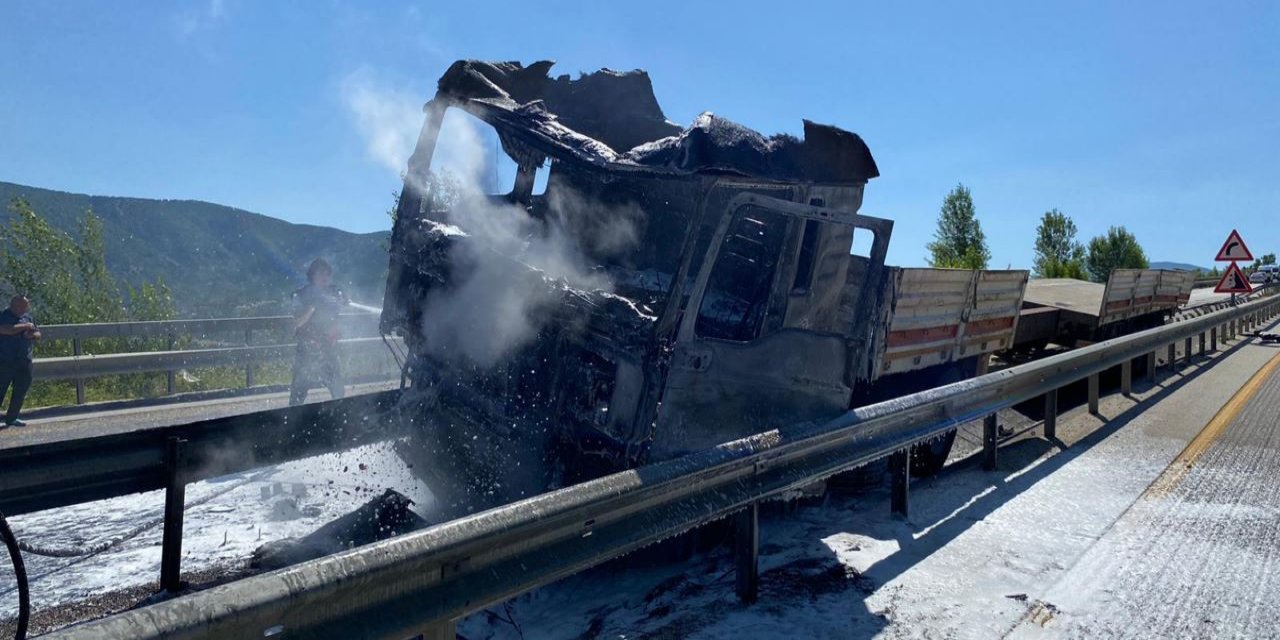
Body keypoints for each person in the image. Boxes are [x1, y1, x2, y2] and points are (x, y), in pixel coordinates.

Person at [290, 259, 350, 405]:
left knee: (338, 392)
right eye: (321, 273)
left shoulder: (334, 292)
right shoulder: (301, 295)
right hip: (306, 351)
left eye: (327, 273)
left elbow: (344, 304)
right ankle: (291, 422)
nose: (325, 277)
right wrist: (312, 306)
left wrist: (344, 300)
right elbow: (296, 323)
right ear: (312, 275)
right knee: (298, 394)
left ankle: (339, 421)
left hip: (328, 350)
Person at [0, 295, 41, 427]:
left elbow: (38, 333)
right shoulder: (3, 316)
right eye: (21, 306)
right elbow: (6, 330)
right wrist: (25, 326)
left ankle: (12, 418)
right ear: (13, 305)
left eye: (25, 306)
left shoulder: (28, 317)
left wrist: (32, 335)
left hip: (24, 360)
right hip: (5, 361)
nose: (24, 308)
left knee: (20, 390)